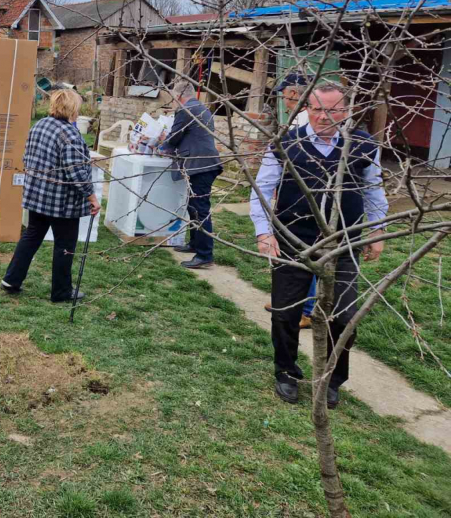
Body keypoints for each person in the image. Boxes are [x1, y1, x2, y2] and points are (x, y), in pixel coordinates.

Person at [250, 83, 388, 409]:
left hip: (344, 242)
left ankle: (332, 379)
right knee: (285, 312)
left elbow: (373, 190)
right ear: (306, 109)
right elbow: (262, 189)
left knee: (342, 316)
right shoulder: (285, 144)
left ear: (347, 111)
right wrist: (264, 233)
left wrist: (377, 230)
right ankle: (286, 371)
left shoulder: (363, 145)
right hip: (293, 240)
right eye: (317, 109)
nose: (325, 117)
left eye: (334, 110)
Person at [2, 89, 101, 303]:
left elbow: (28, 157)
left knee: (31, 236)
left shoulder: (40, 125)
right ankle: (61, 292)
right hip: (61, 202)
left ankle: (11, 279)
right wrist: (92, 197)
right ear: (72, 108)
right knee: (65, 245)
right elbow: (75, 172)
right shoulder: (70, 134)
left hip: (37, 195)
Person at [266, 73, 316, 328]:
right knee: (292, 256)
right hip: (293, 195)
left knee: (308, 255)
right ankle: (286, 301)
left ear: (295, 95)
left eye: (286, 97)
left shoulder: (306, 119)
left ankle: (306, 310)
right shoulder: (299, 118)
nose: (284, 103)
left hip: (307, 199)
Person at [159, 80, 222, 269]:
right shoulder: (200, 107)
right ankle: (195, 244)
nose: (172, 102)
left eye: (172, 98)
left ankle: (205, 254)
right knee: (193, 206)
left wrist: (162, 145)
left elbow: (174, 135)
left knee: (200, 209)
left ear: (178, 96)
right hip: (203, 163)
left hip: (200, 165)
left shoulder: (186, 110)